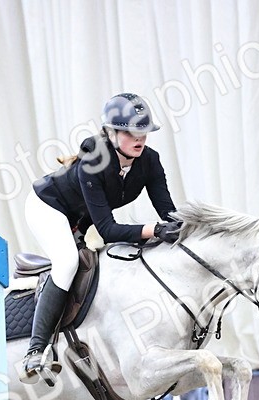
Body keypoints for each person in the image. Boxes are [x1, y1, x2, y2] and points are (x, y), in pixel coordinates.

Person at [21, 92, 182, 383]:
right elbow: (107, 230)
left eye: (144, 131)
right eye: (132, 131)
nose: (140, 138)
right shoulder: (93, 161)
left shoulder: (150, 161)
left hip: (81, 216)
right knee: (68, 262)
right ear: (111, 132)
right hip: (47, 207)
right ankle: (35, 350)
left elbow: (168, 212)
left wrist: (186, 230)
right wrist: (155, 231)